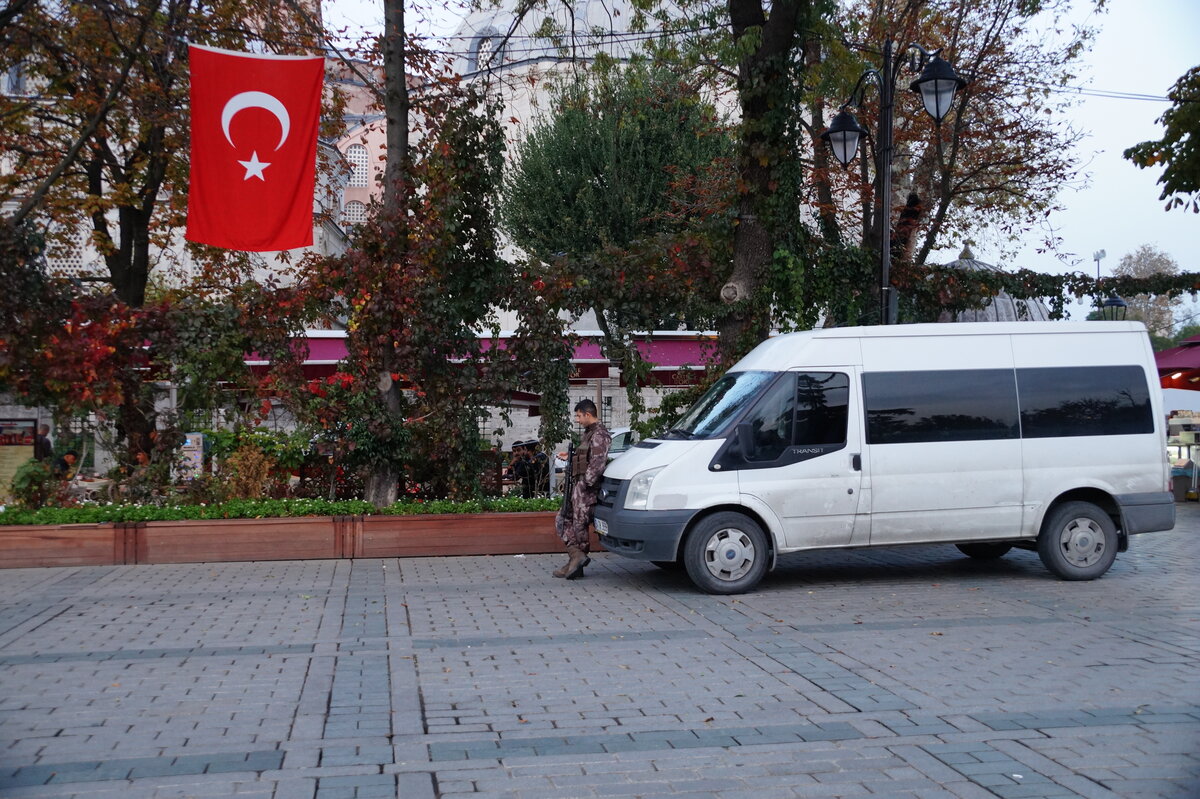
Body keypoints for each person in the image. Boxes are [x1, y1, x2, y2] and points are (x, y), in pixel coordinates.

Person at [553, 400, 611, 580]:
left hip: (586, 488)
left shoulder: (600, 434)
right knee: (563, 519)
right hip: (578, 486)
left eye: (579, 416)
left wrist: (585, 484)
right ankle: (575, 558)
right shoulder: (589, 434)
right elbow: (586, 457)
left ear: (588, 414)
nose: (577, 420)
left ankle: (576, 561)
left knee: (579, 525)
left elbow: (597, 463)